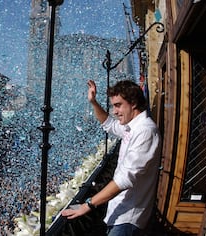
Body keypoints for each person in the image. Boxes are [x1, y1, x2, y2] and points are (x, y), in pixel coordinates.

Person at [61, 80, 161, 236]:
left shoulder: (145, 131)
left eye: (118, 105)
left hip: (128, 219)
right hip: (119, 212)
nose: (114, 111)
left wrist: (88, 205)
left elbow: (124, 180)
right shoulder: (132, 127)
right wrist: (93, 102)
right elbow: (109, 124)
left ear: (133, 103)